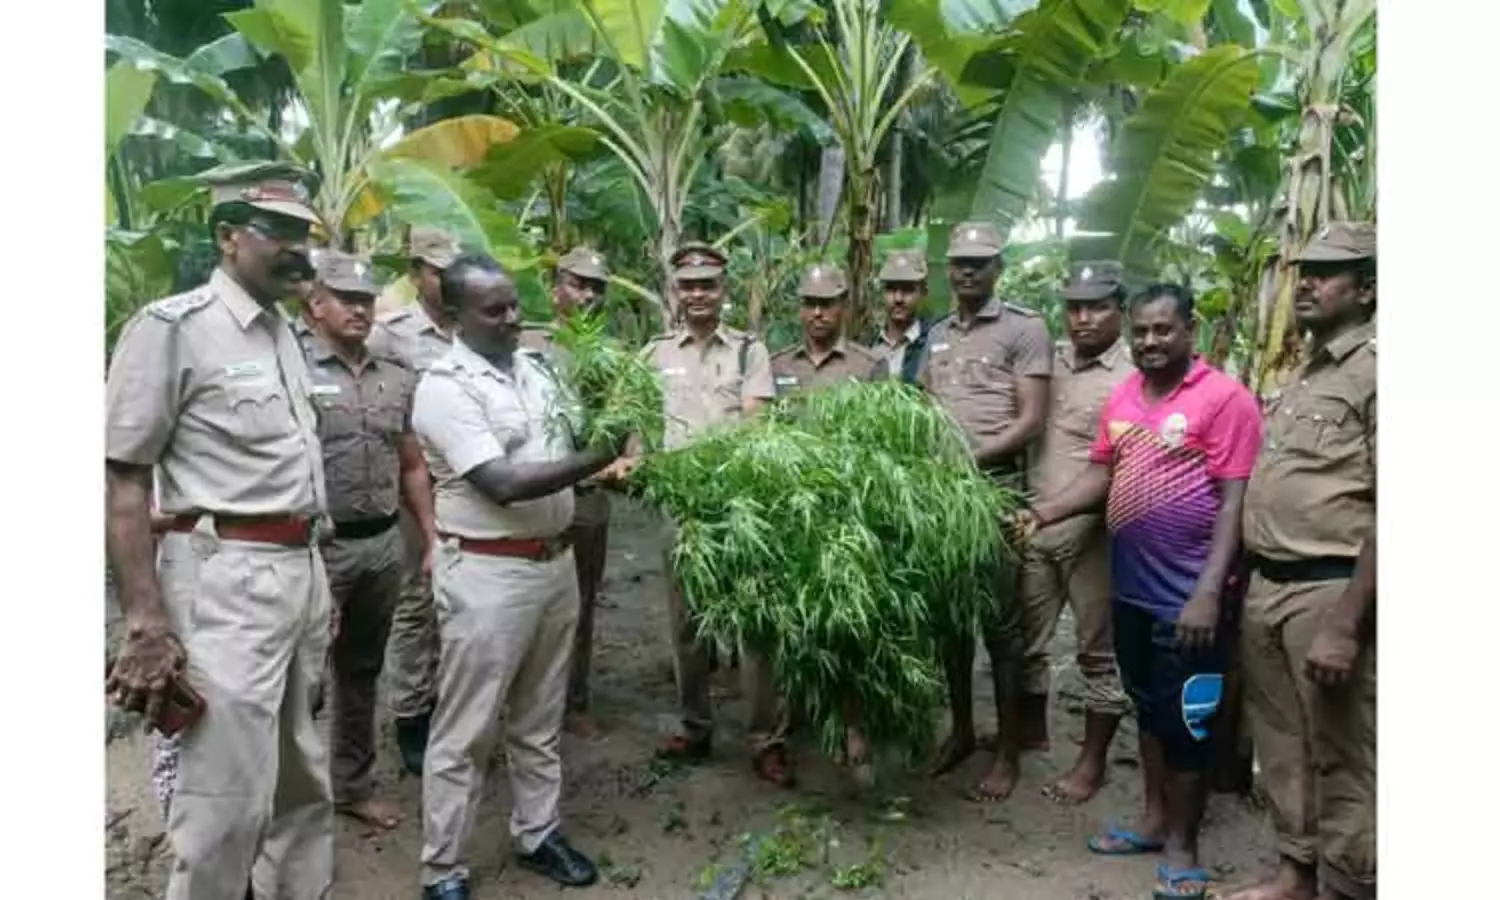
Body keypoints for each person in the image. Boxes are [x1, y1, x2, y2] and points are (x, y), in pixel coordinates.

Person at [105, 161, 335, 900]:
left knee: (302, 783)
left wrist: (317, 587)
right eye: (279, 231)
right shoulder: (173, 330)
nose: (298, 247)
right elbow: (123, 479)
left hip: (300, 573)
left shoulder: (285, 333)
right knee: (224, 802)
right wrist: (145, 622)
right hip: (227, 581)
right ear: (229, 236)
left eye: (305, 233)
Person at [1018, 283, 1263, 900]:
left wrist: (1209, 592)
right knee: (1150, 712)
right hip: (1132, 591)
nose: (1150, 341)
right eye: (1142, 331)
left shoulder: (1224, 399)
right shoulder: (1126, 394)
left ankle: (1184, 848)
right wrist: (1044, 513)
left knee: (1190, 723)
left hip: (1189, 599)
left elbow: (1234, 502)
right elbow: (1103, 472)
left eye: (1163, 330)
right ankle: (1154, 823)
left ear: (1190, 331)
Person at [412, 253, 620, 899]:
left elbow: (567, 441)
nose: (511, 317)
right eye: (494, 310)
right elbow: (501, 482)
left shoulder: (536, 369)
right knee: (466, 728)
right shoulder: (445, 387)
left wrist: (613, 429)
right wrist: (602, 454)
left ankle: (538, 832)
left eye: (513, 304)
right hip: (488, 575)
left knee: (539, 714)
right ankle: (442, 867)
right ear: (455, 316)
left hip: (553, 564)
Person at [1226, 223, 1377, 900]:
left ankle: (1351, 885)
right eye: (1304, 272)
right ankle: (1297, 872)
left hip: (1330, 589)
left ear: (1366, 289)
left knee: (1343, 753)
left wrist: (1346, 624)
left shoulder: (1377, 371)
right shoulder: (1306, 373)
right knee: (1283, 744)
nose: (1307, 284)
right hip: (1270, 585)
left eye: (1326, 273)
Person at [629, 242, 789, 785]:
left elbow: (756, 422)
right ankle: (695, 727)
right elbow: (640, 428)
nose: (698, 294)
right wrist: (635, 460)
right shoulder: (654, 355)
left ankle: (765, 739)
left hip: (737, 507)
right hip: (680, 510)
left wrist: (714, 474)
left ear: (724, 290)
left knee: (754, 627)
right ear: (675, 291)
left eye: (708, 285)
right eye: (688, 285)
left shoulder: (749, 352)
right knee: (687, 625)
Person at [296, 250, 436, 833]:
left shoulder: (395, 373)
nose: (359, 309)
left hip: (381, 544)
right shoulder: (291, 365)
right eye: (345, 299)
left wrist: (430, 536)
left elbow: (411, 463)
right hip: (316, 548)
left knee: (362, 670)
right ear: (315, 304)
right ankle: (290, 802)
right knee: (302, 679)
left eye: (366, 300)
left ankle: (352, 787)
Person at [914, 221, 1051, 803]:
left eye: (980, 262)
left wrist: (970, 458)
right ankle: (963, 732)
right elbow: (924, 405)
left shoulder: (1025, 327)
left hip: (994, 492)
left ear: (999, 267)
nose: (968, 271)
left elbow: (1032, 419)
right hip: (942, 495)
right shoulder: (937, 334)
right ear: (948, 269)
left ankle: (1007, 752)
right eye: (959, 262)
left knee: (1001, 628)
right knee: (951, 622)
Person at [1019, 261, 1134, 805]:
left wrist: (1054, 513)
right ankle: (1031, 734)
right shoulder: (1048, 361)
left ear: (1121, 311)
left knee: (1096, 651)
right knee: (1026, 642)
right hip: (1032, 526)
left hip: (1094, 536)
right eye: (1074, 307)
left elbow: (1116, 467)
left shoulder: (1133, 376)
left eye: (1097, 307)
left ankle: (1092, 763)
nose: (1083, 318)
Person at [369, 226, 461, 775]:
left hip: (470, 483)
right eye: (437, 273)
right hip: (414, 485)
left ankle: (449, 702)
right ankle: (410, 712)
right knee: (416, 600)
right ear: (416, 274)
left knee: (461, 595)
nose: (448, 282)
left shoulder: (473, 326)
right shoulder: (392, 335)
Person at [520, 245, 615, 739]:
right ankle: (524, 702)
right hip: (536, 494)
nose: (588, 296)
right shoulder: (528, 344)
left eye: (597, 288)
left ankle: (574, 700)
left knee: (581, 603)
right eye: (579, 284)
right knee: (526, 598)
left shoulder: (611, 354)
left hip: (590, 495)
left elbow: (625, 417)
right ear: (555, 287)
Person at [770, 263, 882, 394]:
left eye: (825, 304)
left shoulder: (868, 366)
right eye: (810, 304)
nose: (817, 313)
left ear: (844, 306)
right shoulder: (777, 365)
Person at [868, 249, 932, 383]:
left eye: (907, 289)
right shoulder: (867, 344)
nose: (898, 298)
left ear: (923, 293)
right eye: (891, 289)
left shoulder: (933, 342)